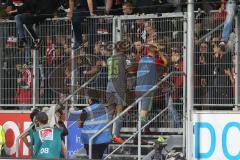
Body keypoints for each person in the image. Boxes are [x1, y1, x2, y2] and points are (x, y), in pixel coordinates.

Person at [135, 42, 168, 134]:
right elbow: (166, 62)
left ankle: (145, 129)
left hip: (138, 88)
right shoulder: (155, 61)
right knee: (144, 112)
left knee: (143, 111)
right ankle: (138, 133)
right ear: (155, 51)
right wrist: (160, 52)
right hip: (147, 89)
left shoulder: (142, 60)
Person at [106, 40, 130, 144]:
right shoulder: (124, 58)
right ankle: (116, 135)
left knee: (110, 113)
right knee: (120, 112)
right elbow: (130, 70)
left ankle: (107, 135)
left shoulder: (110, 59)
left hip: (109, 87)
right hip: (119, 87)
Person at [78, 89, 111, 159]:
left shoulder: (86, 110)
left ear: (90, 99)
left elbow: (79, 125)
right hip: (104, 140)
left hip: (91, 141)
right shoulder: (105, 108)